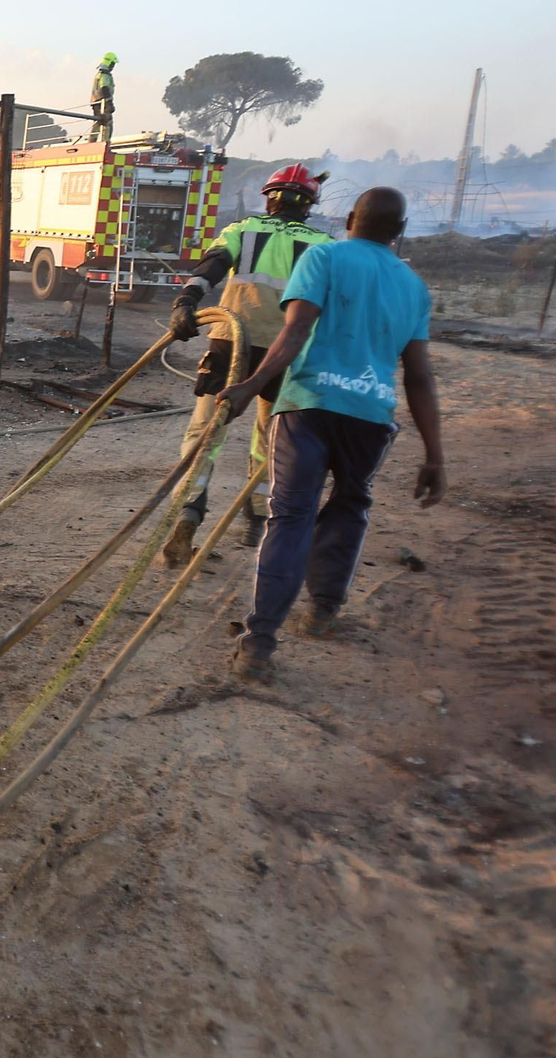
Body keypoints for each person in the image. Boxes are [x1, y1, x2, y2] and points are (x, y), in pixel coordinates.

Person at [211, 186, 445, 681]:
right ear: (399, 232)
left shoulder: (324, 257)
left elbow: (294, 331)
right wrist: (435, 456)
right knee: (351, 503)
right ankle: (323, 609)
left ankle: (259, 644)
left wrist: (251, 386)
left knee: (291, 515)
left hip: (308, 406)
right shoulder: (414, 285)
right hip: (370, 415)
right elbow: (419, 376)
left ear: (348, 219)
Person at [163, 164, 334, 566]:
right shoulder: (324, 244)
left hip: (230, 342)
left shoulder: (243, 230)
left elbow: (212, 267)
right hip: (287, 354)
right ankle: (256, 518)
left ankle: (188, 511)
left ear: (269, 197)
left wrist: (186, 303)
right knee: (270, 437)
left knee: (205, 431)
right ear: (309, 204)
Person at [90, 53, 117, 143]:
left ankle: (92, 143)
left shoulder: (100, 74)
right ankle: (105, 143)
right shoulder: (104, 75)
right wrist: (109, 104)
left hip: (97, 102)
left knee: (98, 123)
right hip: (102, 102)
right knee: (107, 123)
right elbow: (104, 89)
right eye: (113, 64)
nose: (113, 66)